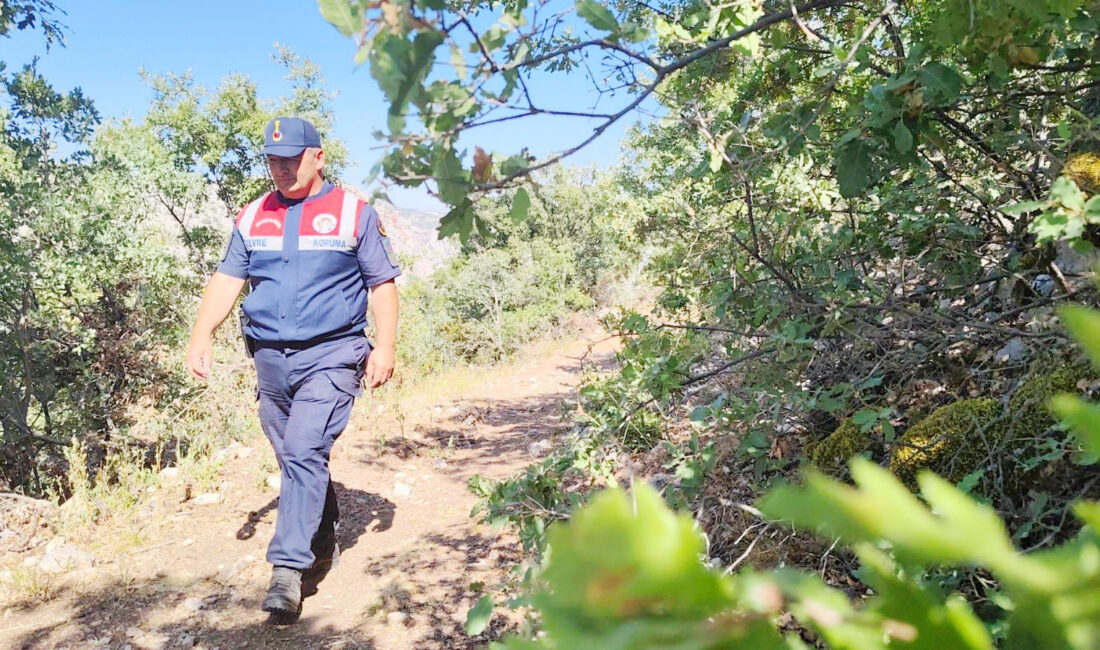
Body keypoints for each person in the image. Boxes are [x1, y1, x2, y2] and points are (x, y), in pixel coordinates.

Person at [184, 116, 400, 623]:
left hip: (333, 355)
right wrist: (201, 334)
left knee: (304, 449)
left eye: (291, 159)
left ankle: (287, 571)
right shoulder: (254, 214)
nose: (280, 169)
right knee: (293, 455)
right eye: (272, 160)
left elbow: (382, 283)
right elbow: (227, 279)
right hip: (270, 360)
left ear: (317, 156)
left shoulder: (353, 212)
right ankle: (321, 535)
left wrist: (385, 347)